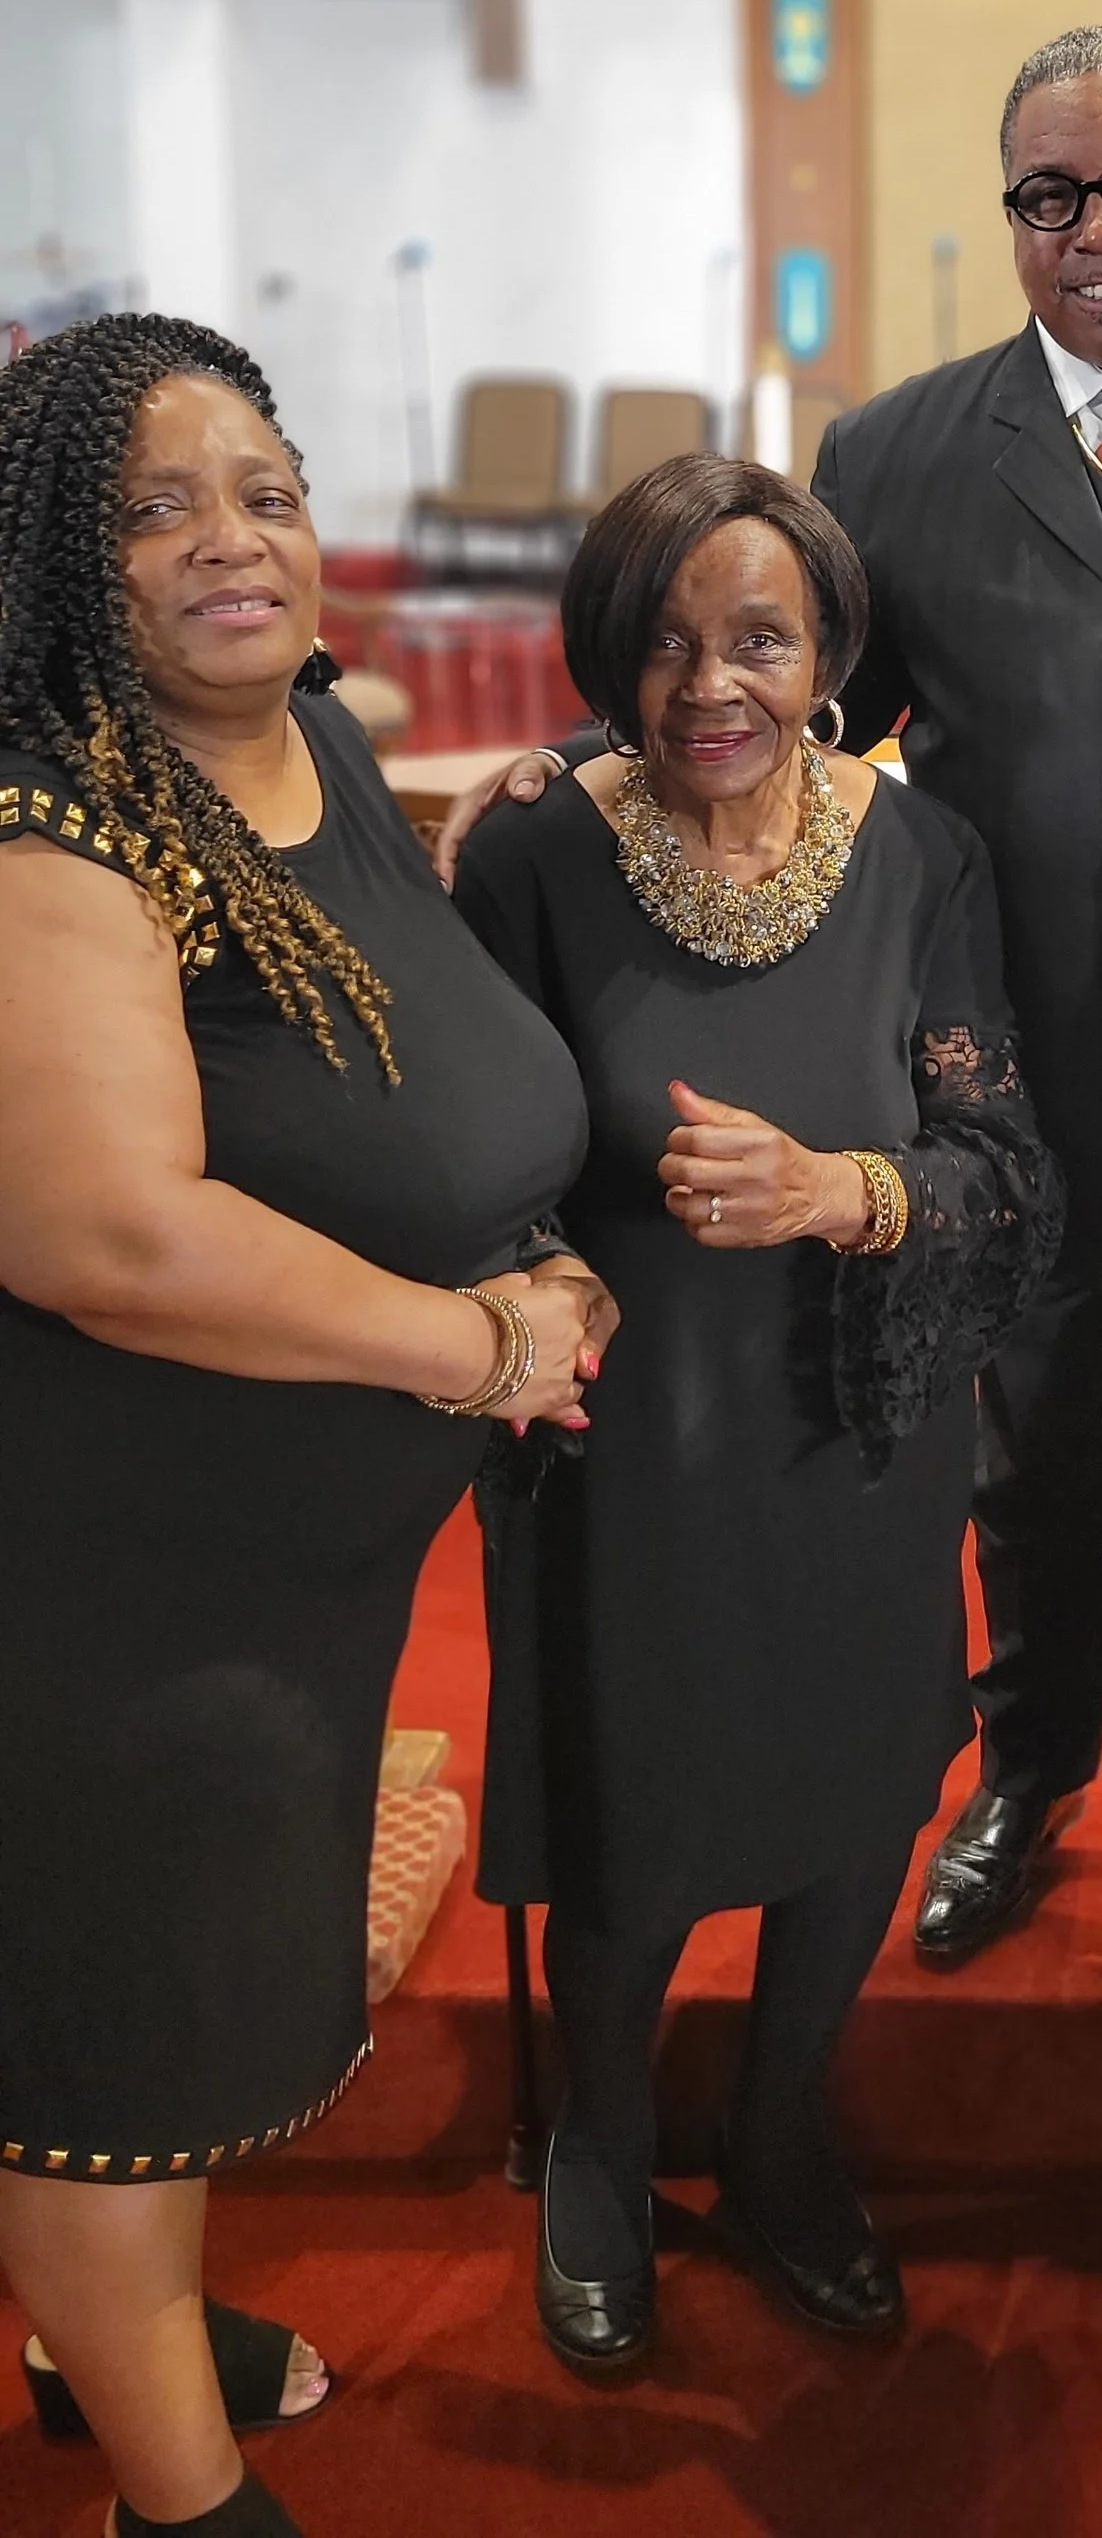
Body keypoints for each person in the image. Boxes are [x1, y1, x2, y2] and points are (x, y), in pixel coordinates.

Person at [441, 26, 1102, 2049]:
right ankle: (1024, 1783)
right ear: (1009, 219)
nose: (1096, 229)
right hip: (1001, 1105)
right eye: (1049, 193)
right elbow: (766, 702)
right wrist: (563, 764)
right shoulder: (896, 455)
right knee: (1034, 1483)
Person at [0, 317, 605, 2538]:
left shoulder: (311, 749)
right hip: (113, 1575)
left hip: (289, 1563)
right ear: (57, 562)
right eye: (148, 508)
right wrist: (478, 1345)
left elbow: (378, 1041)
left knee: (177, 2000)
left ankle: (101, 2338)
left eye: (258, 485)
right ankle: (174, 2490)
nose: (226, 538)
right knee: (107, 2047)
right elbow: (117, 1242)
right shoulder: (49, 825)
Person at [452, 455, 1062, 2372]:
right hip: (622, 1441)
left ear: (831, 655)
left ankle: (784, 2130)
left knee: (854, 1799)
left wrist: (835, 1191)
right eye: (666, 642)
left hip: (850, 1431)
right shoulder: (539, 850)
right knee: (635, 1817)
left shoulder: (923, 856)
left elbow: (1002, 1163)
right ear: (610, 662)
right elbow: (466, 1151)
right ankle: (608, 2147)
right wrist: (541, 1264)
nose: (714, 682)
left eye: (763, 639)